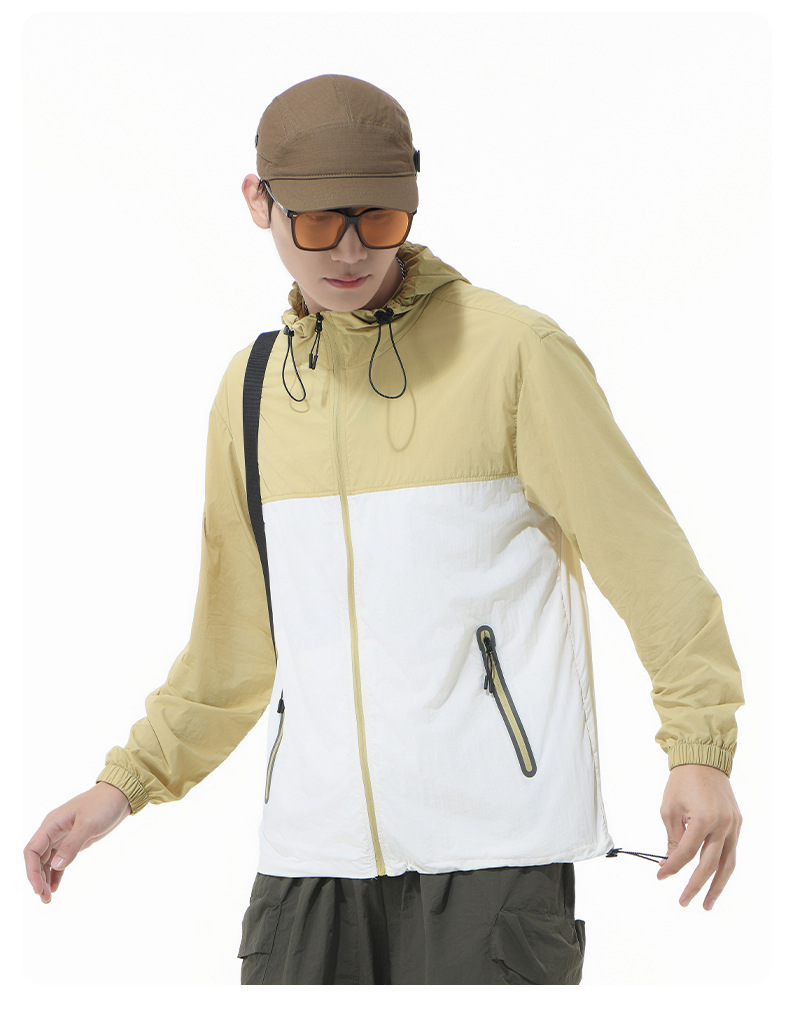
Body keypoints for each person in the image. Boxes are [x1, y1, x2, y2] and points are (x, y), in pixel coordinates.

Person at [24, 73, 744, 985]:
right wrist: (123, 786)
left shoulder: (513, 354)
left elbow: (652, 566)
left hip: (494, 858)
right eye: (320, 223)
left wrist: (699, 748)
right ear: (259, 202)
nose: (352, 249)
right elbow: (231, 648)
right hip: (310, 860)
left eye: (380, 218)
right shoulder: (252, 392)